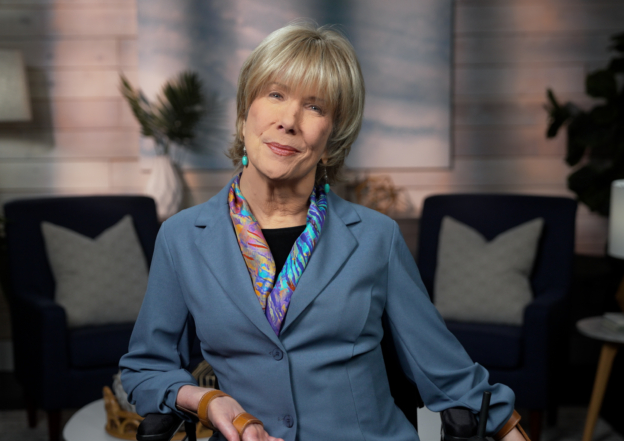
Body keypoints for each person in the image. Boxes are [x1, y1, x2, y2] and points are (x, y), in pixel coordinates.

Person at [120, 22, 529, 441]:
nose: (289, 120)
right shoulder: (181, 237)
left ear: (333, 137)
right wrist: (207, 401)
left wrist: (508, 429)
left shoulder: (377, 237)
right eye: (275, 94)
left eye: (314, 107)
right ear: (245, 114)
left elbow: (446, 371)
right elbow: (144, 368)